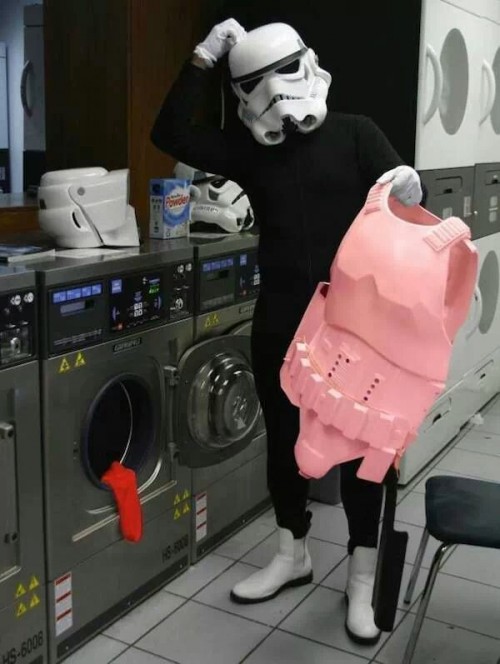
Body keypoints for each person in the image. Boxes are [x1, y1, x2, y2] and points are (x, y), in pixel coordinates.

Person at [151, 19, 423, 645]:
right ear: (243, 94)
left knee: (362, 451)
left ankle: (360, 577)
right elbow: (171, 133)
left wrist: (412, 186)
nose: (276, 93)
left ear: (309, 64)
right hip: (282, 318)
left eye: (283, 74)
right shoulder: (251, 151)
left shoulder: (356, 133)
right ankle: (291, 553)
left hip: (357, 325)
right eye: (257, 84)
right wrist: (203, 58)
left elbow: (406, 200)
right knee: (284, 441)